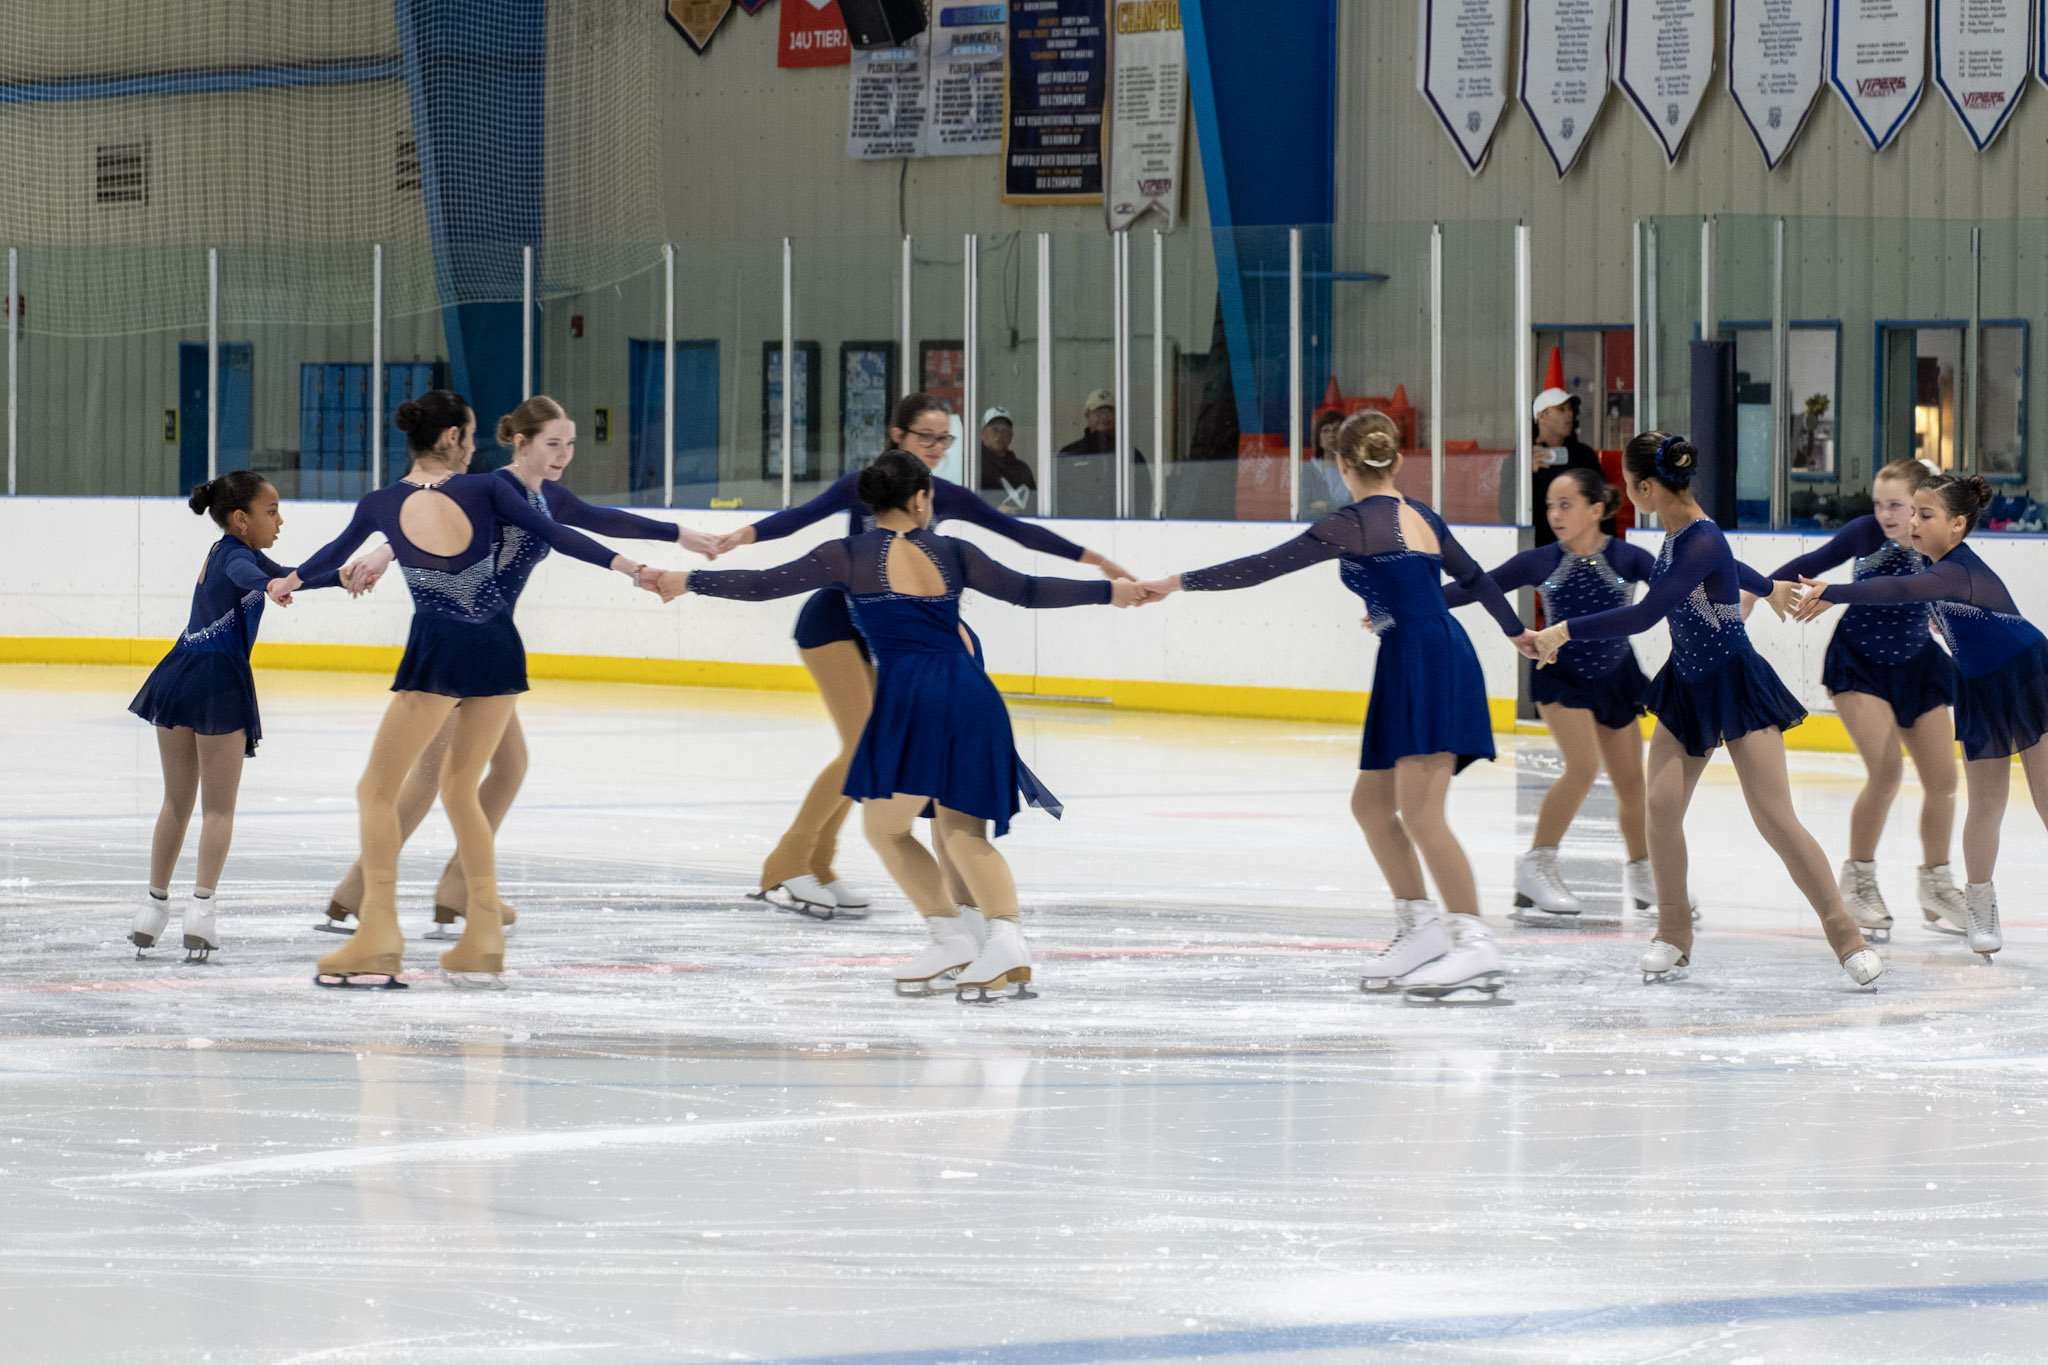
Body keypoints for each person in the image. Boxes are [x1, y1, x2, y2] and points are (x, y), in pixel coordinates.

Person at [661, 451, 1144, 1000]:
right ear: (920, 500)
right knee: (964, 831)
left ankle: (950, 936)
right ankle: (1004, 939)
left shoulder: (847, 554)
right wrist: (1112, 591)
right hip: (971, 692)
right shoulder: (954, 552)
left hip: (913, 697)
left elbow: (764, 583)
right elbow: (1028, 590)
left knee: (885, 827)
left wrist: (688, 580)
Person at [1135, 412, 1540, 1002]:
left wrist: (1173, 582)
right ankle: (1420, 929)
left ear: (1342, 465)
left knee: (1423, 815)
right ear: (1398, 462)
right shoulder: (1420, 515)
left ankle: (1474, 944)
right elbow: (1475, 578)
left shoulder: (1352, 522)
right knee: (1373, 806)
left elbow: (1259, 568)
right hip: (1417, 655)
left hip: (1424, 661)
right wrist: (1514, 632)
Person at [279, 390, 654, 988]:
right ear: (451, 438)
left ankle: (377, 932)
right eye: (472, 433)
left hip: (440, 651)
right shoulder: (486, 490)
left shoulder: (382, 502)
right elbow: (556, 534)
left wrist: (289, 582)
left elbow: (333, 557)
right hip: (499, 647)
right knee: (460, 790)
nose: (477, 444)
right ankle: (481, 938)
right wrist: (635, 570)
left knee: (376, 788)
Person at [709, 392, 1133, 919]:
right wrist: (738, 537)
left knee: (871, 752)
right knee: (864, 745)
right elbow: (798, 517)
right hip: (837, 621)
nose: (934, 447)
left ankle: (817, 864)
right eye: (923, 437)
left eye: (943, 439)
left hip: (890, 635)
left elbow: (1017, 531)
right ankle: (789, 864)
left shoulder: (938, 494)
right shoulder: (869, 487)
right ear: (898, 437)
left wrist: (1097, 560)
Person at [1531, 432, 1883, 989]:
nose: (1625, 492)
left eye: (1627, 484)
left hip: (1734, 681)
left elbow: (1649, 612)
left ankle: (1847, 936)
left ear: (1646, 487)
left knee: (1774, 817)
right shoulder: (1682, 534)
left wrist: (1562, 631)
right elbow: (1725, 565)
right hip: (1687, 682)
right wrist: (1766, 587)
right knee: (1661, 805)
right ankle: (1673, 933)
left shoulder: (1698, 537)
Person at [1793, 473, 2048, 959]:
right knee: (1985, 804)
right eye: (1913, 513)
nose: (1912, 523)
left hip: (2027, 675)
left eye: (1924, 515)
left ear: (1956, 525)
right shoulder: (1938, 568)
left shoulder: (1954, 569)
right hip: (1978, 684)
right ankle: (1979, 905)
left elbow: (1900, 590)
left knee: (2046, 799)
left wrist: (1835, 593)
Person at [1444, 466, 1657, 921]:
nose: (1555, 514)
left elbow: (1676, 588)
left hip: (1617, 674)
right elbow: (1477, 585)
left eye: (1566, 505)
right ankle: (1537, 864)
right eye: (1550, 506)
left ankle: (1642, 874)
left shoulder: (1627, 558)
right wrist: (1412, 600)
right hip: (1560, 675)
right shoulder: (1541, 561)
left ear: (1596, 509)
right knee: (1583, 768)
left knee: (1632, 783)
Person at [1766, 458, 1962, 942]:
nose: (1886, 515)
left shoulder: (1940, 541)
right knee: (1887, 771)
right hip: (1859, 664)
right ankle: (1858, 881)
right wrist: (1758, 590)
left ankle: (1936, 884)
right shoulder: (1864, 534)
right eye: (1879, 504)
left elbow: (1955, 588)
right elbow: (1803, 566)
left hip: (1917, 664)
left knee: (1943, 779)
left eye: (1897, 505)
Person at [127, 472, 298, 962]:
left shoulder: (228, 550)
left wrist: (344, 572)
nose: (279, 520)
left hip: (178, 672)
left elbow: (287, 573)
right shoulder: (242, 560)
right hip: (219, 682)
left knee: (175, 803)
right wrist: (269, 583)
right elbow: (252, 577)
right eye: (271, 512)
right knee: (218, 809)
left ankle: (152, 909)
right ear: (241, 519)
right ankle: (200, 913)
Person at [1055, 388, 1151, 518]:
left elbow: (1144, 500)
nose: (1103, 418)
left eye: (1108, 412)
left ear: (1117, 415)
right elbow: (1059, 501)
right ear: (1087, 415)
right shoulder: (1069, 455)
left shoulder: (1131, 456)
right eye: (1098, 412)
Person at [1527, 388, 1605, 546]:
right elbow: (1507, 511)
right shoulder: (1522, 459)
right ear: (1542, 416)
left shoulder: (1584, 455)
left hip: (1583, 549)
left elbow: (1602, 501)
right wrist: (1527, 476)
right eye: (1561, 409)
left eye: (1570, 409)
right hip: (1540, 549)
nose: (1569, 414)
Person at [977, 407, 1037, 514]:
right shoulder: (975, 465)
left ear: (1011, 435)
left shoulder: (1022, 470)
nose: (1000, 435)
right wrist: (994, 508)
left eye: (1005, 430)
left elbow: (1034, 506)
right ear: (982, 434)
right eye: (994, 429)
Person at [1302, 409, 1349, 520]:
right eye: (1326, 430)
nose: (1331, 434)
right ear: (1318, 440)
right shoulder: (1308, 471)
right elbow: (1303, 513)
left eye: (1336, 429)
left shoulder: (1355, 469)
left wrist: (1326, 507)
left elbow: (1357, 508)